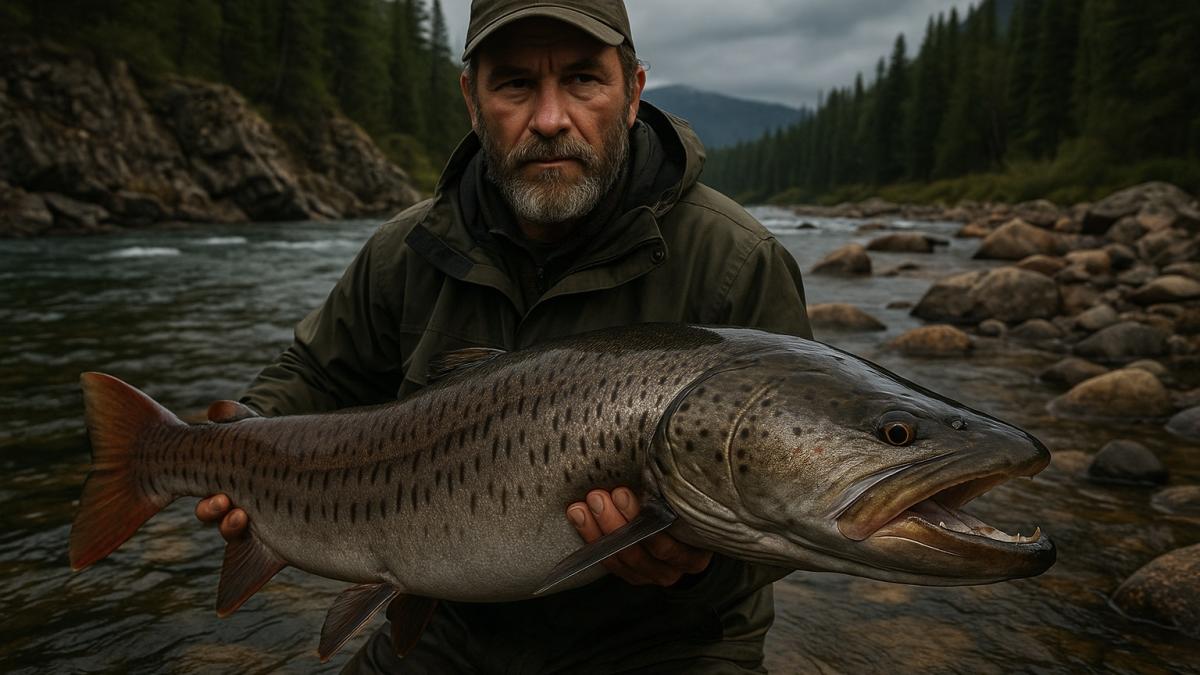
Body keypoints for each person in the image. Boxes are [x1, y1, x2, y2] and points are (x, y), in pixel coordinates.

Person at [196, 0, 813, 671]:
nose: (549, 120)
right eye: (515, 83)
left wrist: (694, 564)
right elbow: (316, 373)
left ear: (633, 92)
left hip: (667, 639)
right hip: (452, 623)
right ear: (472, 99)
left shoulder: (736, 265)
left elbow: (791, 514)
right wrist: (249, 432)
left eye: (583, 80)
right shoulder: (409, 249)